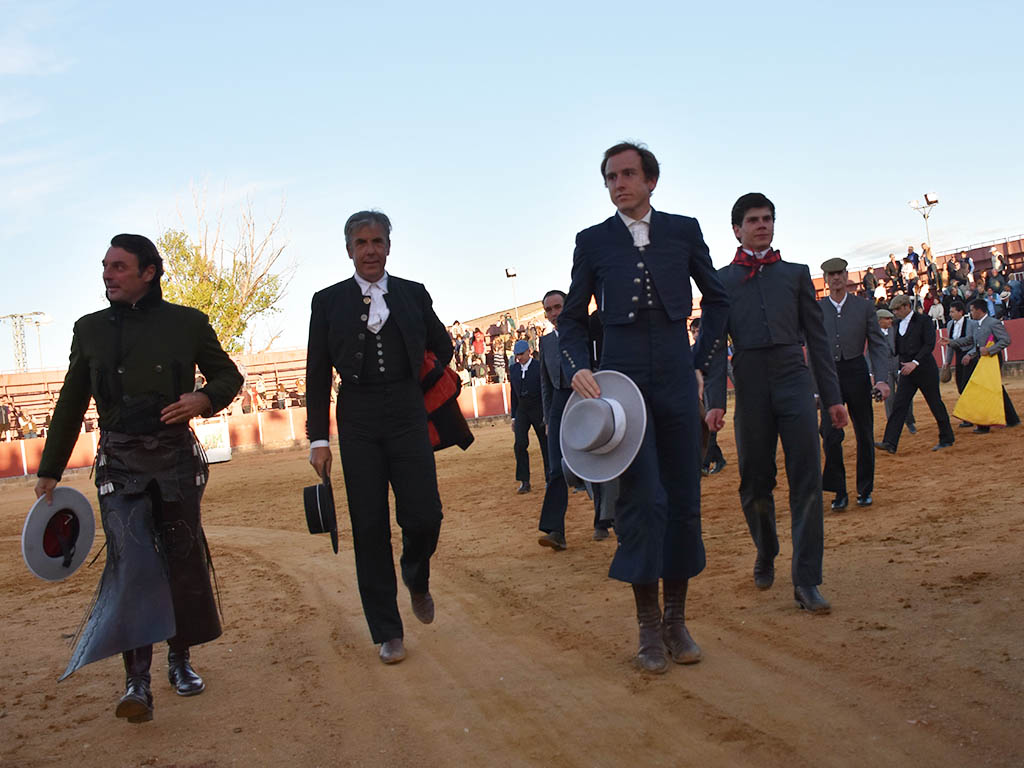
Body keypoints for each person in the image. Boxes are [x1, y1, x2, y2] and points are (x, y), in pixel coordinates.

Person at [35, 233, 243, 723]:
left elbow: (228, 376)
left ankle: (180, 658)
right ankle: (137, 680)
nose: (107, 274)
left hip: (174, 459)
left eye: (119, 267)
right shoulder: (89, 329)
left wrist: (204, 399)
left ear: (149, 273)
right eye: (105, 266)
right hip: (121, 461)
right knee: (131, 564)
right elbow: (70, 402)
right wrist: (50, 469)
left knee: (180, 556)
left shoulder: (187, 323)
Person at [559, 141, 729, 673]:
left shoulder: (683, 230)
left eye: (628, 174)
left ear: (651, 181)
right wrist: (576, 364)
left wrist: (700, 359)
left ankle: (677, 621)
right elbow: (570, 317)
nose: (618, 184)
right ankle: (648, 628)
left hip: (677, 378)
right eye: (611, 177)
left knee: (682, 497)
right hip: (621, 381)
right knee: (643, 500)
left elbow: (717, 300)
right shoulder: (593, 240)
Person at [306, 210, 452, 666]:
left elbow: (443, 346)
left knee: (425, 513)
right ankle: (388, 630)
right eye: (361, 243)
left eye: (377, 241)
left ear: (389, 246)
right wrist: (318, 439)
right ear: (349, 250)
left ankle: (416, 570)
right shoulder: (327, 301)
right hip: (359, 419)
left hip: (407, 412)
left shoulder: (412, 293)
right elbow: (315, 374)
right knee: (369, 526)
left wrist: (420, 374)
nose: (370, 250)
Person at [706, 193, 847, 616]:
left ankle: (806, 580)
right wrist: (715, 401)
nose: (762, 225)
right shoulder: (721, 281)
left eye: (768, 218)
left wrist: (833, 398)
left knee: (806, 480)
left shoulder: (796, 274)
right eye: (753, 220)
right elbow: (714, 349)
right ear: (737, 228)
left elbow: (818, 343)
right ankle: (766, 548)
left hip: (794, 382)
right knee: (754, 483)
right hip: (750, 388)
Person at [817, 258, 890, 510]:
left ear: (846, 275)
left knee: (864, 433)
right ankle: (839, 490)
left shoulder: (864, 307)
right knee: (830, 434)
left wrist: (880, 378)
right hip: (829, 376)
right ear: (825, 278)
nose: (836, 278)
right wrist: (814, 388)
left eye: (839, 273)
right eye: (831, 274)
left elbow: (878, 345)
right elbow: (811, 350)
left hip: (857, 371)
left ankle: (864, 488)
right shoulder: (817, 308)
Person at [875, 294, 955, 454]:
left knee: (935, 403)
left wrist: (915, 363)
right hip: (906, 370)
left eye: (897, 309)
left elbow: (929, 344)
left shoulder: (923, 320)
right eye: (894, 310)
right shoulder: (896, 324)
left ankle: (946, 438)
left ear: (906, 306)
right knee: (899, 405)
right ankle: (890, 442)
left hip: (924, 369)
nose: (895, 313)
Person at [940, 298, 1020, 432]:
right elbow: (972, 342)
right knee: (993, 388)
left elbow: (1005, 340)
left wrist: (990, 350)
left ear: (978, 310)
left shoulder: (993, 323)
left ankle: (985, 425)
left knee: (985, 388)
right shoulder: (977, 324)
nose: (970, 313)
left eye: (972, 310)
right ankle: (1010, 419)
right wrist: (952, 343)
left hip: (992, 359)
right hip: (980, 359)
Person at [509, 338, 547, 494]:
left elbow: (545, 391)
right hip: (522, 411)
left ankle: (550, 478)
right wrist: (513, 417)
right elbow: (513, 393)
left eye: (521, 354)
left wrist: (547, 413)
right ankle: (524, 481)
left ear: (529, 352)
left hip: (538, 410)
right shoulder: (513, 369)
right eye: (517, 355)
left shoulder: (539, 367)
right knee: (520, 444)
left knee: (545, 444)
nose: (519, 357)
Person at [875, 309, 916, 432]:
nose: (890, 321)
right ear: (879, 321)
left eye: (890, 318)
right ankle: (892, 425)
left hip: (900, 366)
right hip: (885, 369)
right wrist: (873, 373)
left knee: (906, 394)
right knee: (889, 398)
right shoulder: (874, 334)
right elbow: (870, 354)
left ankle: (909, 421)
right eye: (887, 319)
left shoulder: (896, 329)